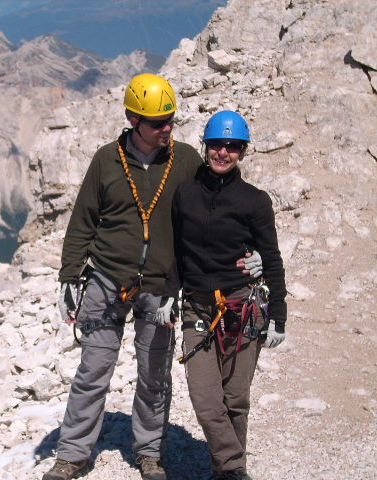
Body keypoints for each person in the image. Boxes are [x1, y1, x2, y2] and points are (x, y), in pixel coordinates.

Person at [43, 74, 263, 480]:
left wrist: (252, 250)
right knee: (93, 370)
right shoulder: (105, 160)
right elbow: (83, 222)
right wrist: (69, 276)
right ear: (132, 120)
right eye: (157, 122)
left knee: (154, 374)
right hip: (106, 280)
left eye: (171, 120)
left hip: (160, 287)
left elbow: (220, 205)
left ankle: (149, 453)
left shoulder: (185, 160)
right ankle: (72, 454)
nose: (168, 129)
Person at [170, 110, 287, 480]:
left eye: (233, 146)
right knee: (207, 402)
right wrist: (162, 294)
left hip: (242, 307)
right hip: (198, 308)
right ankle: (235, 469)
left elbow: (271, 258)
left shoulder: (254, 201)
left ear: (243, 152)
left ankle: (225, 473)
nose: (224, 152)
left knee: (236, 400)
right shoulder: (185, 195)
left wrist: (279, 316)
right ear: (205, 146)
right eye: (217, 144)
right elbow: (174, 251)